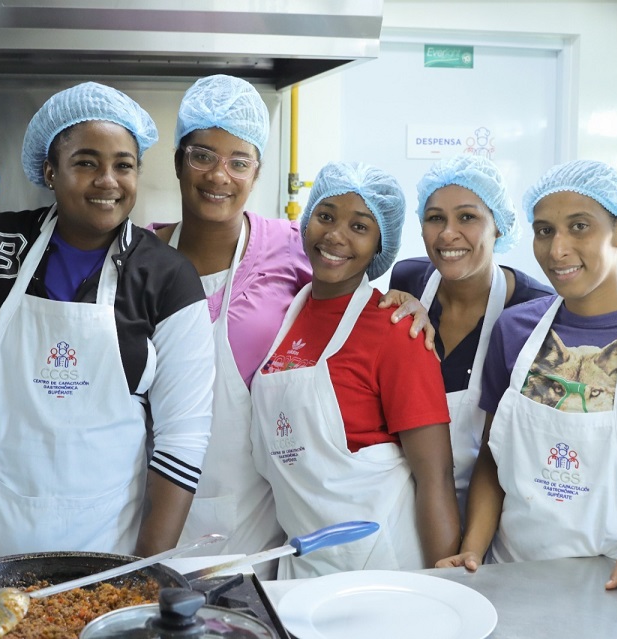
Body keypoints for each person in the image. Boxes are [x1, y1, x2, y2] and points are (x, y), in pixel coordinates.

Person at [148, 75, 435, 563]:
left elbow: (350, 287)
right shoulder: (140, 257)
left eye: (239, 162)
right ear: (178, 160)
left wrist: (404, 301)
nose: (220, 175)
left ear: (257, 172)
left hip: (260, 524)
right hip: (153, 503)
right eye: (202, 156)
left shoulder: (290, 247)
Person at [0, 82, 215, 562]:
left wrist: (145, 569)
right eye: (86, 163)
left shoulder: (167, 276)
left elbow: (183, 434)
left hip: (106, 546)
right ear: (50, 171)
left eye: (124, 165)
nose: (107, 180)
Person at [438, 160, 617, 609]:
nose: (557, 249)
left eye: (579, 227)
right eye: (544, 230)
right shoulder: (516, 329)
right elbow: (492, 459)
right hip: (516, 573)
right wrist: (473, 550)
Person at [251, 161, 460, 578]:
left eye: (359, 227)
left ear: (380, 244)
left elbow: (435, 476)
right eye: (325, 216)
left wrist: (444, 583)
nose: (335, 236)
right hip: (303, 564)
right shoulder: (286, 311)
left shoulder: (397, 330)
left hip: (380, 567)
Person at [389, 155, 552, 523]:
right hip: (402, 508)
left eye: (467, 217)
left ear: (498, 227)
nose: (448, 233)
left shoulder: (533, 311)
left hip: (494, 517)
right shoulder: (408, 279)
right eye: (435, 218)